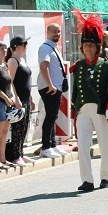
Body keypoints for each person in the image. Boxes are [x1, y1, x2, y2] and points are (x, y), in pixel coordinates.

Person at [70, 13, 108, 191]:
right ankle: (87, 180)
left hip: (100, 110)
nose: (87, 48)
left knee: (105, 144)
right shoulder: (78, 67)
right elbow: (75, 90)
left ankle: (106, 176)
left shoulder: (106, 66)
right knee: (83, 146)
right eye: (85, 45)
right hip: (83, 110)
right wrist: (73, 110)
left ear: (97, 47)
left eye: (90, 45)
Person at [37, 23, 68, 159]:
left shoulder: (54, 47)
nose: (57, 34)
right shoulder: (45, 47)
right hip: (50, 87)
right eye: (54, 31)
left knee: (53, 116)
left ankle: (52, 145)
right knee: (50, 116)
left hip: (56, 86)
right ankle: (46, 146)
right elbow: (44, 67)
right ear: (47, 31)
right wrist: (50, 85)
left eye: (59, 32)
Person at [6, 36, 34, 167]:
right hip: (19, 99)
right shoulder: (13, 61)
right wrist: (15, 98)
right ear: (17, 46)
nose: (26, 47)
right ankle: (15, 155)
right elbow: (10, 82)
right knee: (18, 128)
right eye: (24, 44)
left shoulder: (22, 60)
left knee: (25, 127)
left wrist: (31, 98)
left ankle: (21, 152)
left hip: (26, 98)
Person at [0, 41, 18, 171]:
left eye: (6, 48)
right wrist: (6, 98)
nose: (5, 50)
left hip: (7, 101)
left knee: (5, 131)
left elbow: (10, 83)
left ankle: (3, 158)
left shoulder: (5, 65)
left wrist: (12, 96)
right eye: (2, 48)